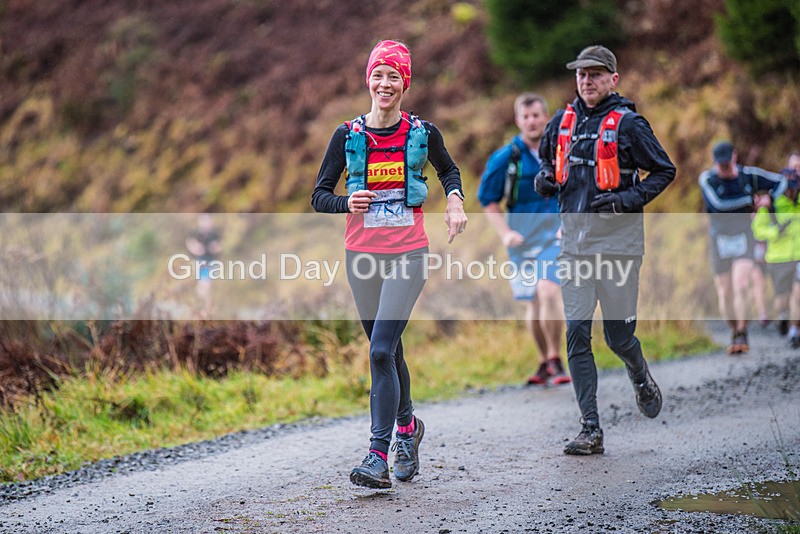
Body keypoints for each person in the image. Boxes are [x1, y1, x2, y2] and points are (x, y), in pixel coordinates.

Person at [311, 40, 468, 488]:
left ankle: (377, 455)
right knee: (390, 348)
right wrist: (346, 202)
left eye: (393, 76)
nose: (385, 83)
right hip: (362, 256)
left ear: (405, 83)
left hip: (409, 253)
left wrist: (454, 202)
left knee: (379, 350)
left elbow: (449, 171)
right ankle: (408, 430)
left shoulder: (423, 133)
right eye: (378, 74)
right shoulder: (347, 136)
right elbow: (318, 195)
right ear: (368, 79)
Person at [535, 45, 675, 455]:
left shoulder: (630, 124)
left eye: (596, 74)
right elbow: (547, 163)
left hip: (619, 247)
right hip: (574, 247)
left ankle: (639, 371)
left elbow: (665, 170)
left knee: (618, 336)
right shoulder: (561, 121)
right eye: (581, 74)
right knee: (577, 332)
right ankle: (590, 429)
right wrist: (545, 179)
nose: (587, 81)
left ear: (613, 79)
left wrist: (626, 200)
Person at [477, 93, 569, 386]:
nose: (532, 121)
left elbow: (576, 189)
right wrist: (506, 233)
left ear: (546, 118)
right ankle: (544, 362)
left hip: (554, 238)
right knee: (532, 301)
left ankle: (556, 359)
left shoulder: (561, 152)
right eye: (526, 117)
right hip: (521, 242)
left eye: (537, 115)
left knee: (549, 292)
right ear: (518, 120)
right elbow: (488, 200)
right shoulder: (506, 158)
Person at [699, 141, 786, 353]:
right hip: (719, 239)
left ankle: (742, 332)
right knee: (725, 293)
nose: (725, 168)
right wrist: (751, 200)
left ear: (734, 158)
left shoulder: (750, 176)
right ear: (715, 163)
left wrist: (769, 198)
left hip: (744, 236)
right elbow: (719, 205)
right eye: (721, 165)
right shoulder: (707, 179)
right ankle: (734, 330)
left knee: (741, 284)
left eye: (728, 164)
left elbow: (782, 182)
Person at [752, 152, 800, 347]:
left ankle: (794, 332)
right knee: (782, 300)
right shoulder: (772, 202)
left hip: (798, 256)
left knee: (798, 293)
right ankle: (783, 316)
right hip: (778, 258)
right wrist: (776, 231)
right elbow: (758, 230)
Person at [185, 213, 221, 318]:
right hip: (199, 263)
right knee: (200, 288)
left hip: (210, 263)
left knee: (204, 287)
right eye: (203, 221)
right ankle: (204, 310)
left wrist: (214, 248)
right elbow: (190, 244)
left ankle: (207, 311)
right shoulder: (196, 234)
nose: (205, 224)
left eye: (207, 221)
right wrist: (195, 248)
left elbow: (218, 247)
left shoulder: (214, 235)